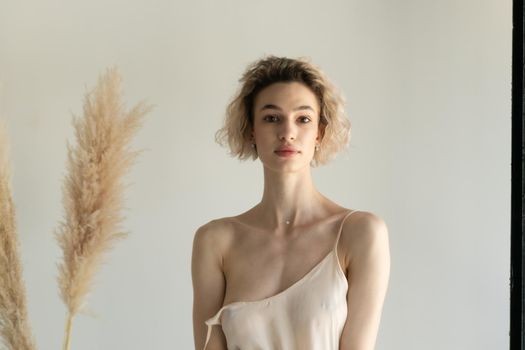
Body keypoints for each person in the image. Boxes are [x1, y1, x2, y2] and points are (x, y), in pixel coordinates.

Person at [191, 55, 390, 350]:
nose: (287, 132)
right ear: (251, 131)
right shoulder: (215, 241)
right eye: (272, 118)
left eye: (303, 119)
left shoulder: (360, 234)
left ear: (320, 133)